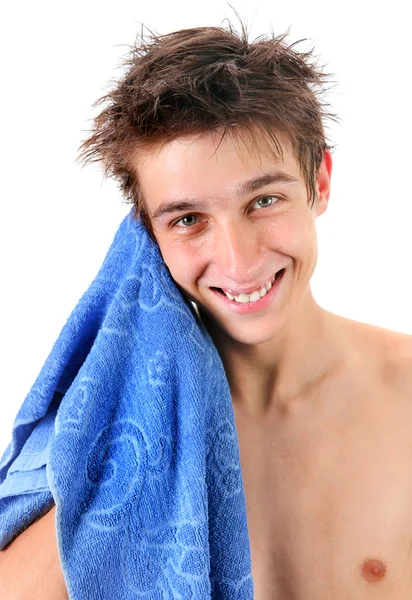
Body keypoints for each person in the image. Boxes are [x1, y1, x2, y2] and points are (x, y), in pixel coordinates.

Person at [2, 20, 412, 600]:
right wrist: (114, 456)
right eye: (187, 220)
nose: (238, 260)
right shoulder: (116, 427)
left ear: (319, 181)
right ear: (144, 236)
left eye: (263, 200)